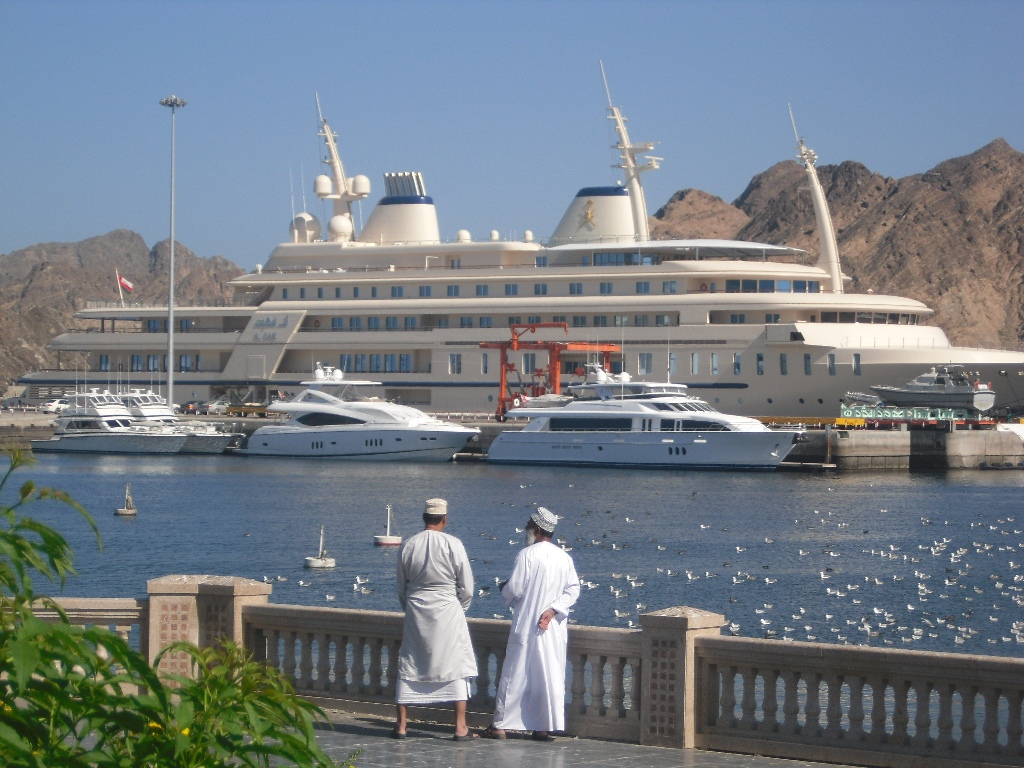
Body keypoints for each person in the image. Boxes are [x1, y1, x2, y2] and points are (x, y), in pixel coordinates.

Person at [484, 506, 580, 741]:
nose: (526, 529)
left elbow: (514, 588)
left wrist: (503, 590)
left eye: (528, 526)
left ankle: (500, 725)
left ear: (537, 529)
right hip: (551, 629)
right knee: (547, 676)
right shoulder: (564, 557)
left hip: (527, 625)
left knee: (515, 673)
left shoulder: (526, 555)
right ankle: (542, 727)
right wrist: (553, 609)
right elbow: (573, 589)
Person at [394, 497, 478, 740]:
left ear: (424, 518)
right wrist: (458, 608)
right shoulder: (454, 544)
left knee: (410, 661)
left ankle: (401, 724)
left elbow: (401, 586)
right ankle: (460, 726)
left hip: (416, 608)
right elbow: (467, 587)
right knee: (456, 664)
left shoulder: (408, 544)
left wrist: (411, 607)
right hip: (448, 609)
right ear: (444, 519)